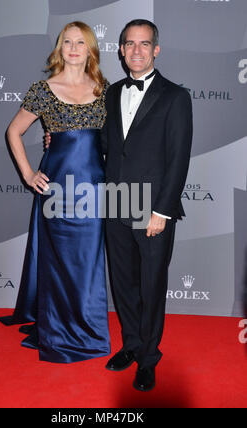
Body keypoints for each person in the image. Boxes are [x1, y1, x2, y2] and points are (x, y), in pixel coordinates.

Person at [0, 21, 111, 363]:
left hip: (93, 190)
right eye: (67, 42)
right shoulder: (42, 89)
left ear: (90, 48)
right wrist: (29, 173)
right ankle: (58, 330)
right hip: (57, 190)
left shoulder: (105, 89)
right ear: (59, 48)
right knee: (59, 262)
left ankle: (88, 329)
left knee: (88, 264)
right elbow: (13, 131)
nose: (74, 48)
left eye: (80, 42)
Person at [103, 19, 193, 391]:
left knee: (152, 285)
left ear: (156, 50)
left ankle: (149, 358)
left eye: (144, 44)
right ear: (121, 50)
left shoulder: (175, 96)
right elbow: (106, 147)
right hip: (115, 201)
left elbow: (178, 158)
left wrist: (162, 211)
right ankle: (131, 346)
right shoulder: (110, 93)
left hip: (152, 207)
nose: (136, 50)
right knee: (123, 284)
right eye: (129, 44)